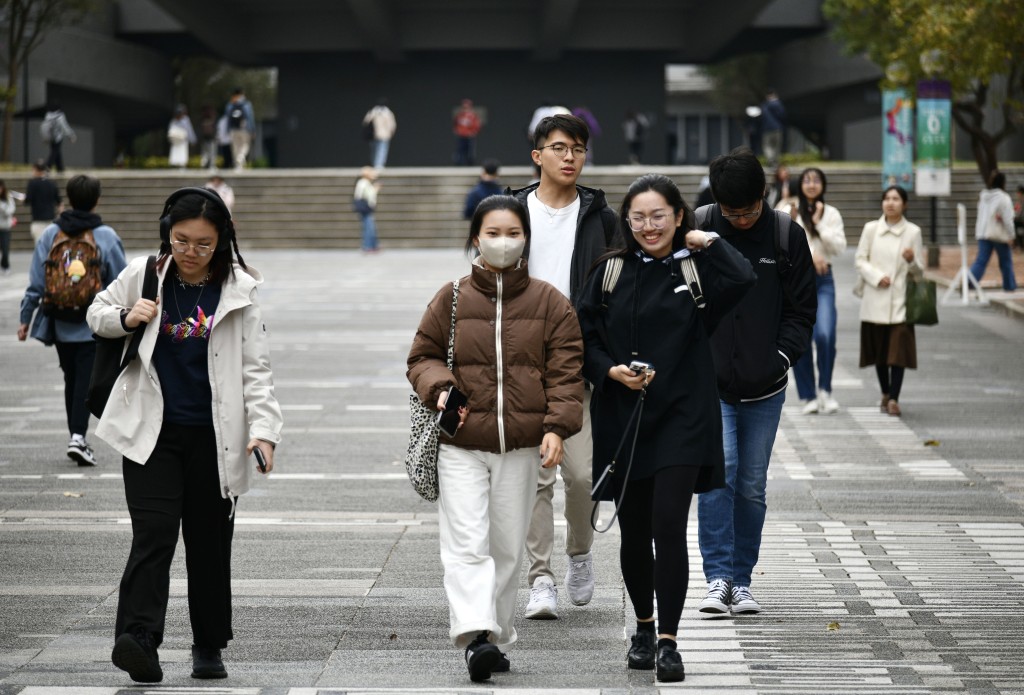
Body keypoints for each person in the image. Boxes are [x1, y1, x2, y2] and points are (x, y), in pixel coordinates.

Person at [87, 187, 283, 683]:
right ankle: (139, 639)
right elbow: (97, 311)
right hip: (152, 434)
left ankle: (209, 645)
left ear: (222, 241)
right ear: (166, 234)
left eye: (203, 244)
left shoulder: (239, 291)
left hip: (214, 439)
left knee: (208, 541)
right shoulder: (145, 274)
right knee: (152, 535)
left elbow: (256, 371)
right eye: (181, 240)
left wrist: (264, 432)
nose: (191, 252)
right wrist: (125, 317)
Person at [577, 174, 755, 682]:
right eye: (638, 218)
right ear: (625, 222)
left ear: (679, 215)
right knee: (634, 533)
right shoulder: (610, 272)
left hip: (683, 417)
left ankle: (671, 643)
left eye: (659, 216)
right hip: (624, 417)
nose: (648, 226)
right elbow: (581, 334)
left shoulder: (697, 268)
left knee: (667, 527)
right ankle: (643, 627)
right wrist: (609, 371)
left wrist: (709, 240)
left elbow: (743, 279)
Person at [406, 195, 583, 682]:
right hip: (460, 443)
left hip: (523, 446)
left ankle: (494, 634)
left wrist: (556, 427)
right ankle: (474, 635)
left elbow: (567, 375)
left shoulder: (551, 303)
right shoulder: (453, 296)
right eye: (493, 233)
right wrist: (440, 388)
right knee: (465, 543)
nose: (502, 242)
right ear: (475, 238)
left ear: (526, 238)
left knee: (506, 549)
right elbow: (421, 357)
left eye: (513, 233)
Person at [507, 113, 620, 620]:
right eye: (559, 147)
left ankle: (579, 554)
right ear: (538, 156)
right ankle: (540, 578)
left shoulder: (602, 218)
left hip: (580, 363)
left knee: (580, 474)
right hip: (522, 365)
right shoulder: (512, 212)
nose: (570, 156)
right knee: (534, 478)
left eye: (578, 148)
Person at [695, 147, 816, 617]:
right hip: (711, 382)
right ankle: (717, 577)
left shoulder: (786, 235)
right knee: (717, 475)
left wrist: (781, 357)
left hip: (765, 385)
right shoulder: (701, 227)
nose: (740, 220)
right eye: (731, 213)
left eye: (747, 211)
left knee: (751, 483)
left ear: (763, 196)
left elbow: (802, 310)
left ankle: (742, 581)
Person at [17, 175, 128, 466]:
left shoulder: (50, 234)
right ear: (96, 200)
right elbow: (121, 280)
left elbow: (36, 282)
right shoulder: (105, 235)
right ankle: (78, 437)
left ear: (67, 198)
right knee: (85, 382)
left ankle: (76, 434)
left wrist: (25, 318)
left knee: (72, 379)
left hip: (59, 321)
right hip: (93, 324)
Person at [779, 168, 847, 414]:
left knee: (825, 334)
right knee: (801, 338)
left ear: (823, 184)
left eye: (816, 180)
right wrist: (812, 254)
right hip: (796, 280)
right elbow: (781, 239)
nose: (811, 184)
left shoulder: (831, 213)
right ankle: (807, 395)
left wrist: (819, 224)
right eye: (806, 180)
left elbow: (839, 247)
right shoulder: (788, 208)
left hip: (823, 280)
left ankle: (825, 391)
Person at [855, 185, 925, 417]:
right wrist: (876, 277)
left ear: (904, 204)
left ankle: (894, 398)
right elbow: (860, 260)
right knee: (880, 353)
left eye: (896, 199)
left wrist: (912, 260)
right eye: (887, 198)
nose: (891, 203)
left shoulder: (913, 232)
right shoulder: (871, 229)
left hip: (900, 301)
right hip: (875, 298)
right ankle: (886, 393)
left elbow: (919, 273)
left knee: (898, 352)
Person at [969, 171, 1017, 292]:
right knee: (1005, 261)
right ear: (1003, 183)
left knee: (981, 260)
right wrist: (1012, 235)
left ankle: (970, 281)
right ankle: (1009, 285)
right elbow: (1008, 219)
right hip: (998, 234)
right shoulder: (1004, 198)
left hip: (983, 233)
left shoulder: (983, 196)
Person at [25, 160, 61, 243]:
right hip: (50, 220)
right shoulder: (52, 183)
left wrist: (24, 199)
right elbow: (59, 201)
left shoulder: (32, 183)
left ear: (36, 170)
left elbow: (28, 200)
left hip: (38, 220)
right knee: (50, 245)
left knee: (40, 246)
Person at [224, 88, 256, 171]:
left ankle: (238, 166)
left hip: (233, 129)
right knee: (245, 146)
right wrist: (252, 130)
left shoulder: (230, 104)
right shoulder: (246, 104)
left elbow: (227, 118)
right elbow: (250, 117)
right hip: (244, 129)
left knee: (235, 147)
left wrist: (227, 130)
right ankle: (240, 159)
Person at [41, 104, 76, 173]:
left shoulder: (48, 115)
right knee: (54, 152)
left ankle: (60, 168)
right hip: (57, 137)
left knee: (57, 151)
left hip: (50, 137)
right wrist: (71, 135)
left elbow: (45, 127)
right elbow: (64, 126)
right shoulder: (60, 116)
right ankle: (48, 166)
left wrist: (45, 137)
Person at [363, 98, 397, 169]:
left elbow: (365, 122)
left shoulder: (374, 112)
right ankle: (378, 165)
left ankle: (377, 165)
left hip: (377, 135)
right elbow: (392, 125)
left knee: (377, 150)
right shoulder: (387, 113)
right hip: (381, 135)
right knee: (380, 150)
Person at [353, 167, 380, 252]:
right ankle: (368, 246)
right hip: (365, 208)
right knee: (369, 227)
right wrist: (375, 189)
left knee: (369, 227)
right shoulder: (364, 183)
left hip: (365, 208)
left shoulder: (363, 182)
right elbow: (369, 195)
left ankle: (372, 245)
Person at [760, 90, 786, 165]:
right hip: (778, 128)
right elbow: (783, 115)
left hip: (766, 129)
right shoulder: (778, 104)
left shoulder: (764, 106)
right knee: (777, 145)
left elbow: (761, 117)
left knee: (767, 145)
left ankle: (770, 159)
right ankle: (775, 160)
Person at [453, 99, 482, 166]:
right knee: (460, 151)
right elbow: (455, 124)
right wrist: (457, 130)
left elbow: (477, 126)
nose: (465, 109)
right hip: (461, 136)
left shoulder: (473, 116)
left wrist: (473, 132)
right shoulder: (460, 115)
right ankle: (459, 165)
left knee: (470, 152)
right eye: (464, 107)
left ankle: (470, 165)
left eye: (467, 107)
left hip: (469, 136)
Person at [0, 180, 16, 274]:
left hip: (5, 227)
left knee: (5, 248)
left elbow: (11, 209)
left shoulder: (8, 197)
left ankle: (5, 265)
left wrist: (3, 208)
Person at [1013, 184, 1024, 251]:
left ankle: (1018, 245)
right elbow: (1016, 210)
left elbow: (1020, 213)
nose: (1017, 194)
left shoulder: (1022, 200)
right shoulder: (1019, 201)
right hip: (1020, 220)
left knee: (1014, 225)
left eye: (1018, 192)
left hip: (1021, 220)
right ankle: (1019, 245)